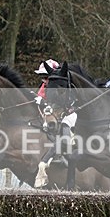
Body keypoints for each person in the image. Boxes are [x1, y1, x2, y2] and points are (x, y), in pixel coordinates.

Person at [33, 59, 76, 188]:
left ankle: (62, 152)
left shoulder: (64, 83)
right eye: (42, 77)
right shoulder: (46, 85)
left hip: (69, 114)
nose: (44, 80)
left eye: (45, 77)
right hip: (54, 114)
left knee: (64, 128)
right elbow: (41, 98)